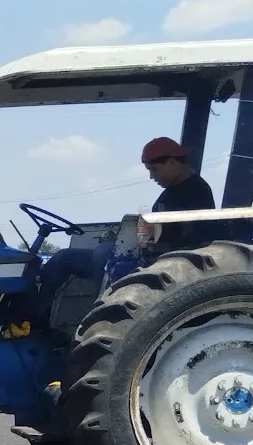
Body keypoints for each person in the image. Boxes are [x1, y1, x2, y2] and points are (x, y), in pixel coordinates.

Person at [29, 136, 216, 326]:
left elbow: (188, 236)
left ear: (172, 162)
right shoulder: (171, 191)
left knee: (102, 253)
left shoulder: (196, 191)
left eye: (153, 169)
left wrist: (146, 236)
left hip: (162, 261)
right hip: (146, 252)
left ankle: (105, 316)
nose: (151, 177)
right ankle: (32, 316)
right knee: (64, 257)